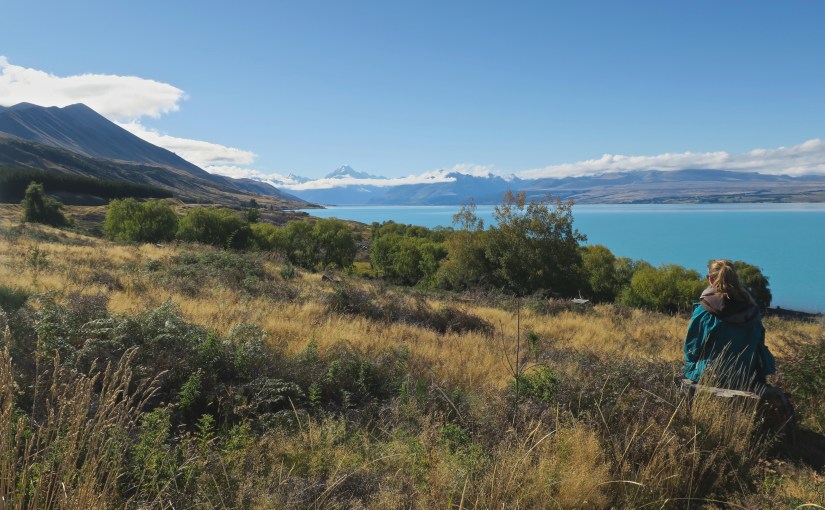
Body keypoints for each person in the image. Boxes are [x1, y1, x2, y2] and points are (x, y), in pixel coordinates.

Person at [682, 259, 776, 389]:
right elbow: (759, 346)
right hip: (746, 376)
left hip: (712, 374)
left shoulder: (705, 310)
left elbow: (692, 348)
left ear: (710, 279)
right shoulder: (752, 311)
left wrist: (690, 368)